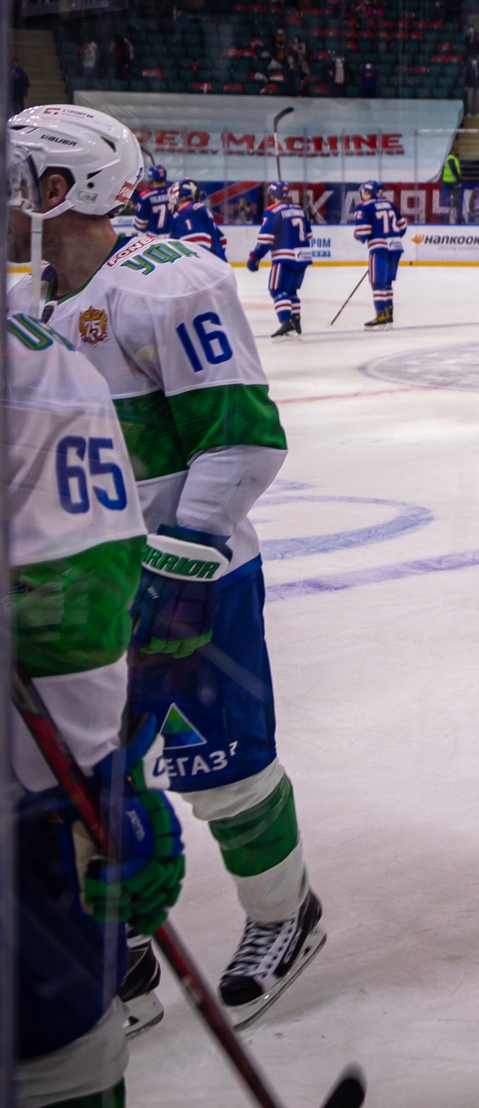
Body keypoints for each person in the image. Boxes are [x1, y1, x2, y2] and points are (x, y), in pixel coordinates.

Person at [6, 105, 323, 1032]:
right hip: (75, 588)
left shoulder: (167, 282)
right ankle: (122, 952)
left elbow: (243, 438)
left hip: (191, 577)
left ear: (57, 190)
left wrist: (179, 563)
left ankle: (283, 915)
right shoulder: (24, 302)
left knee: (221, 765)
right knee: (82, 778)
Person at [3, 252, 170, 1107]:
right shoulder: (34, 363)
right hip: (24, 815)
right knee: (54, 1046)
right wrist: (100, 783)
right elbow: (80, 598)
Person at [243, 183, 312, 338]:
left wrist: (255, 257)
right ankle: (296, 320)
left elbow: (266, 239)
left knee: (277, 290)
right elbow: (309, 235)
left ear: (272, 195)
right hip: (303, 257)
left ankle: (285, 322)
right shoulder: (300, 210)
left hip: (284, 257)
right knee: (291, 291)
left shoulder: (272, 211)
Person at [348, 180, 411, 330]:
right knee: (387, 283)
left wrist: (358, 235)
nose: (362, 194)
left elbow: (363, 233)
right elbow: (402, 227)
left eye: (363, 191)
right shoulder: (389, 204)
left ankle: (380, 317)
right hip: (395, 248)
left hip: (379, 248)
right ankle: (389, 317)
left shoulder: (363, 206)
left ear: (368, 192)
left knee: (377, 284)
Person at [165, 178, 222, 256]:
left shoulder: (180, 214)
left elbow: (174, 248)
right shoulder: (201, 208)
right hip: (214, 261)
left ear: (177, 195)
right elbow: (221, 239)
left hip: (194, 262)